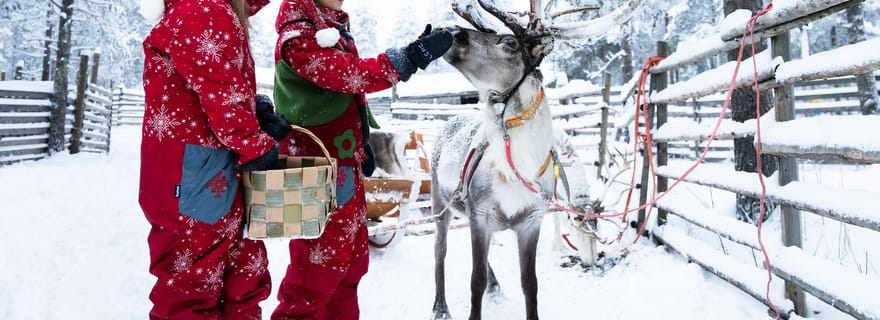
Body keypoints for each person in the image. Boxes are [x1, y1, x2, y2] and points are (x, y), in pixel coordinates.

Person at [269, 0, 452, 318]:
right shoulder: (297, 34)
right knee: (315, 271)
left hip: (341, 163)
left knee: (350, 265)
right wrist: (407, 59)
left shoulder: (331, 26)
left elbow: (349, 95)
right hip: (314, 170)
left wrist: (362, 144)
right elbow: (345, 75)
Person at [139, 0, 290, 318]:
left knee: (241, 278)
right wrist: (255, 145)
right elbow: (221, 93)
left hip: (212, 179)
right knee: (191, 289)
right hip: (195, 183)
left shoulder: (213, 9)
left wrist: (255, 109)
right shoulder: (201, 9)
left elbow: (216, 83)